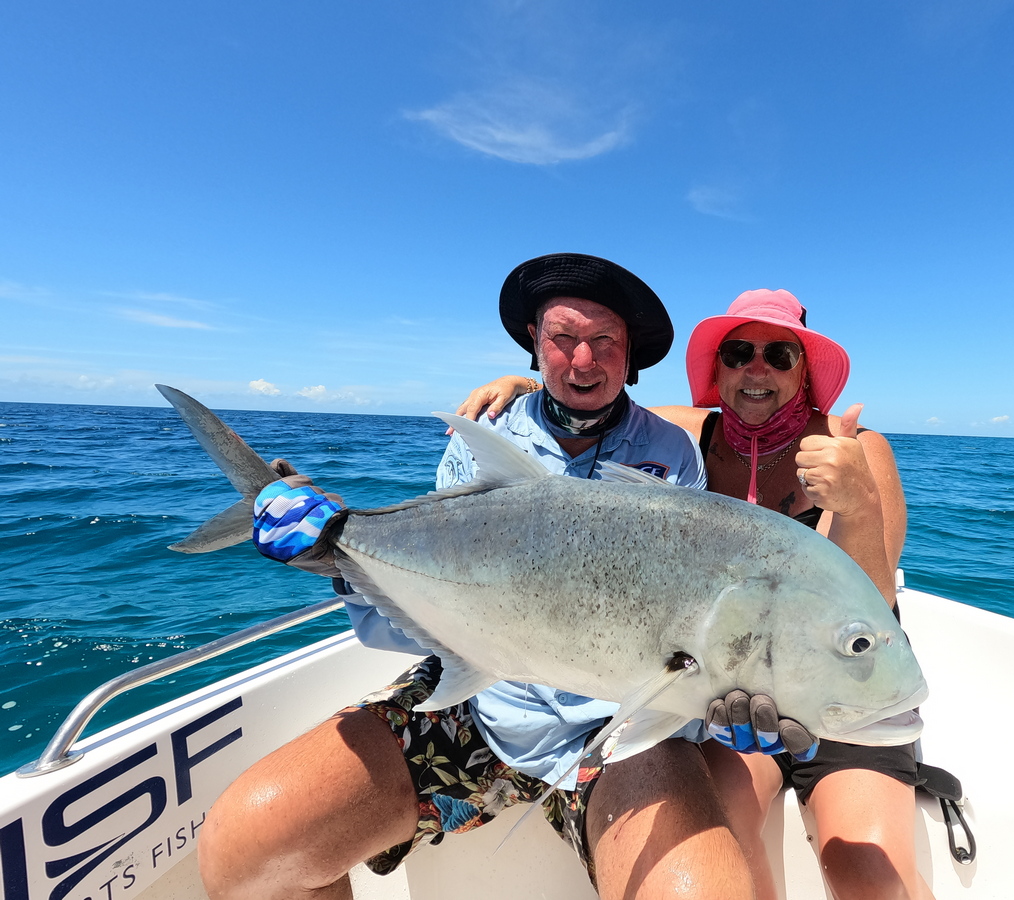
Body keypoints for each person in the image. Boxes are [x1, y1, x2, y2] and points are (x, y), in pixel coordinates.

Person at [197, 255, 809, 900]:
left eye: (604, 341)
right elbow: (429, 619)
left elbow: (677, 623)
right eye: (562, 338)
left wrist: (730, 690)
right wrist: (336, 555)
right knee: (249, 848)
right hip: (479, 705)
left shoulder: (671, 452)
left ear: (629, 358)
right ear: (534, 348)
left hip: (619, 732)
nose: (582, 360)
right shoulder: (483, 437)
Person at [459, 288, 932, 900]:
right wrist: (522, 385)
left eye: (779, 354)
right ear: (718, 370)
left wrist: (857, 500)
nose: (756, 368)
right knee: (721, 839)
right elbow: (588, 390)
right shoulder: (690, 432)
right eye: (738, 352)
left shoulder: (857, 450)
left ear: (805, 371)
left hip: (848, 702)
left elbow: (870, 607)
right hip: (735, 705)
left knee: (869, 878)